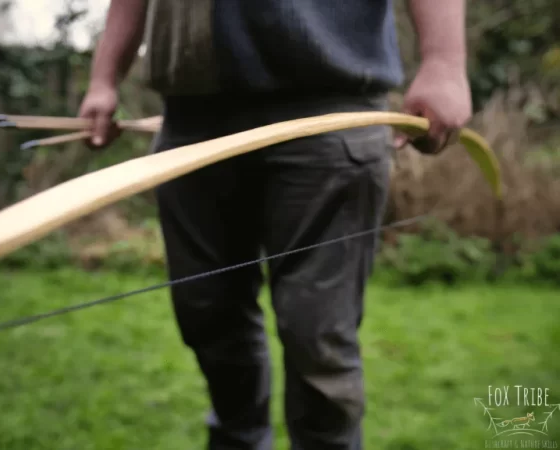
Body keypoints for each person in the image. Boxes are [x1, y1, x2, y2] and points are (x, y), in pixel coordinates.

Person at [78, 1, 472, 449]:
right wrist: (102, 80)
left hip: (330, 110)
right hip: (190, 118)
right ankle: (237, 438)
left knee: (317, 337)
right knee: (210, 319)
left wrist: (445, 62)